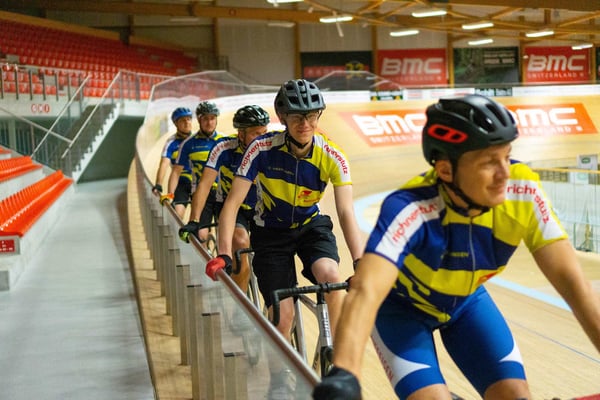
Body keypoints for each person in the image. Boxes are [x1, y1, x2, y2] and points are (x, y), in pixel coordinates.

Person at [313, 94, 600, 400]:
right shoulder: (409, 208)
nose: (505, 172)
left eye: (507, 156)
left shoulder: (523, 190)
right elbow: (366, 291)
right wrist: (345, 374)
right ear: (446, 170)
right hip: (401, 311)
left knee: (515, 395)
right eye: (489, 162)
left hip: (466, 303)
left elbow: (574, 285)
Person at [206, 79, 364, 398]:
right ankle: (278, 380)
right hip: (270, 233)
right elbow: (232, 203)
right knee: (283, 315)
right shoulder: (261, 149)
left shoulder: (332, 155)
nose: (305, 124)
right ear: (283, 118)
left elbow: (346, 212)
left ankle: (339, 363)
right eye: (296, 117)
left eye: (311, 116)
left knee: (332, 277)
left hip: (310, 226)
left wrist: (361, 262)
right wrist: (223, 253)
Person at [179, 104, 271, 292]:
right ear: (241, 134)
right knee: (240, 242)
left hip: (261, 207)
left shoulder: (270, 147)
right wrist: (194, 220)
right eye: (256, 134)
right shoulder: (223, 148)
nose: (261, 138)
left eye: (264, 133)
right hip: (231, 207)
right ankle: (240, 300)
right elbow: (205, 184)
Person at [165, 101, 224, 240]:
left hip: (222, 193)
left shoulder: (224, 141)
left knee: (225, 236)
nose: (209, 123)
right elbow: (176, 172)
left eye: (212, 118)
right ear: (199, 120)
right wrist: (171, 195)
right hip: (201, 194)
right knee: (200, 235)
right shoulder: (188, 144)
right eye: (205, 119)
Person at [153, 107, 194, 218]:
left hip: (199, 181)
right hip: (181, 181)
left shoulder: (197, 138)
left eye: (189, 119)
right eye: (183, 120)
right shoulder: (171, 142)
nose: (187, 122)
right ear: (176, 123)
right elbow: (164, 164)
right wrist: (158, 184)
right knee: (176, 213)